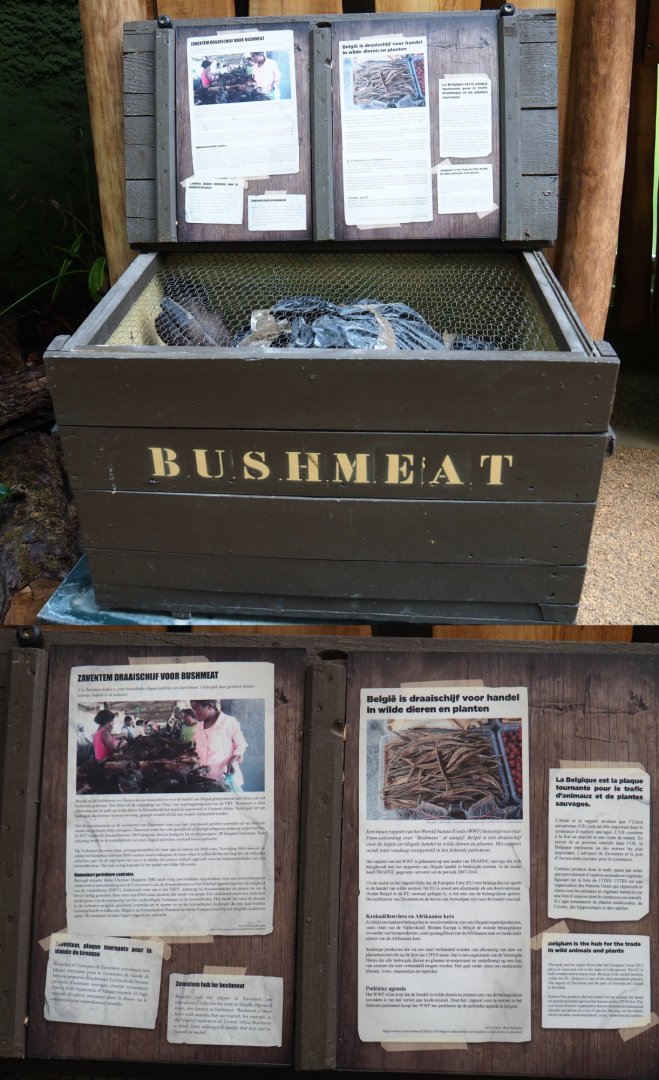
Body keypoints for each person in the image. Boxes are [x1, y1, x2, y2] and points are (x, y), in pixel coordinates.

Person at [189, 699, 247, 789]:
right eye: (193, 709)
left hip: (224, 776)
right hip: (205, 777)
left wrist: (232, 760)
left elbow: (241, 745)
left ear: (210, 706)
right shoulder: (199, 726)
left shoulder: (228, 722)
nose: (194, 713)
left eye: (197, 709)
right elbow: (198, 748)